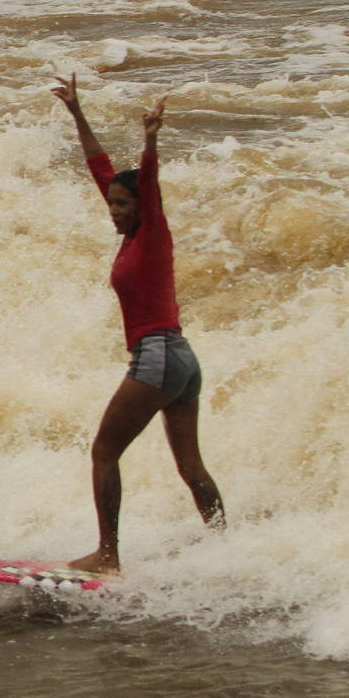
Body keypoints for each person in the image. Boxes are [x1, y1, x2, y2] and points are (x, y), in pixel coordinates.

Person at [50, 74, 225, 573]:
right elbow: (100, 168)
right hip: (181, 360)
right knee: (190, 466)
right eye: (111, 204)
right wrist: (77, 114)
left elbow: (148, 183)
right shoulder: (131, 239)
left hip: (158, 356)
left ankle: (108, 555)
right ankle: (224, 546)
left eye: (122, 205)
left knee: (104, 452)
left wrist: (151, 140)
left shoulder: (153, 233)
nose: (114, 212)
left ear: (142, 206)